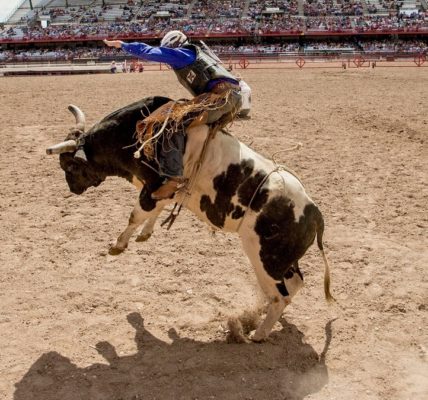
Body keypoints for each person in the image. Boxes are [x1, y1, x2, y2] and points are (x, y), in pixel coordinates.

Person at [104, 31, 242, 199]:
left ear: (174, 46)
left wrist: (123, 45)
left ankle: (174, 179)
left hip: (219, 99)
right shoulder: (198, 54)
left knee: (172, 125)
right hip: (229, 98)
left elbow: (150, 52)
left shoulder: (183, 54)